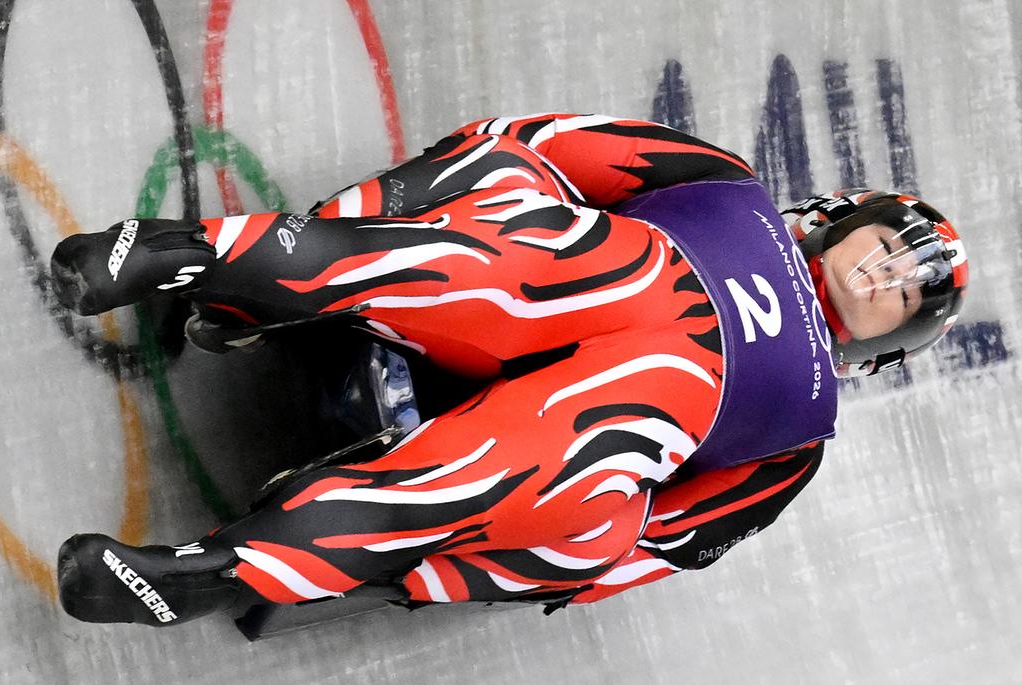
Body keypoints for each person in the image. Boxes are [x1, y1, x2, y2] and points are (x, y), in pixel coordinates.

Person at [47, 113, 968, 627]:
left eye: (901, 293)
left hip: (595, 428)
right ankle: (188, 260)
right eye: (889, 250)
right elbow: (547, 142)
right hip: (560, 276)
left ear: (884, 344)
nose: (881, 277)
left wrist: (475, 571)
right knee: (517, 244)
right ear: (844, 217)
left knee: (560, 494)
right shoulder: (726, 184)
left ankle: (205, 574)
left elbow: (666, 545)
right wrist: (418, 196)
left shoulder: (799, 439)